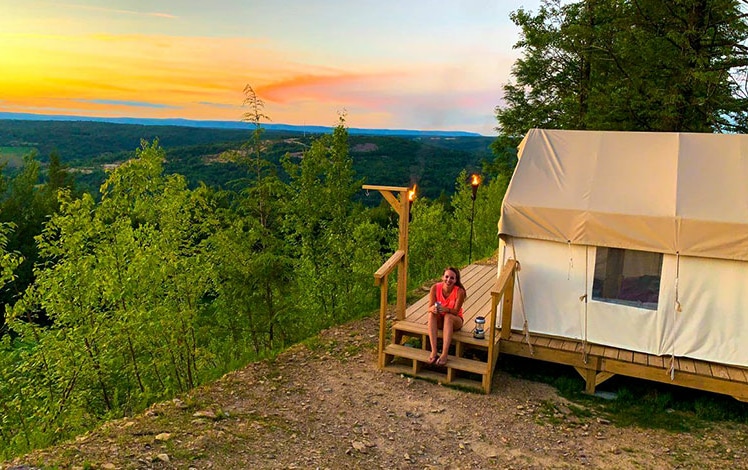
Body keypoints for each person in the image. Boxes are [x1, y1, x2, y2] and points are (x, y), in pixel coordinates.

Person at [427, 266, 466, 366]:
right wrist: (434, 309)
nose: (448, 280)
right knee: (432, 314)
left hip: (455, 320)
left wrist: (446, 309)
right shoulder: (435, 288)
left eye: (452, 278)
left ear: (456, 280)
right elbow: (429, 307)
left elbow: (456, 311)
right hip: (440, 319)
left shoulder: (459, 291)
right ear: (442, 277)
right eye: (447, 277)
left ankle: (444, 353)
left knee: (448, 316)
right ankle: (434, 351)